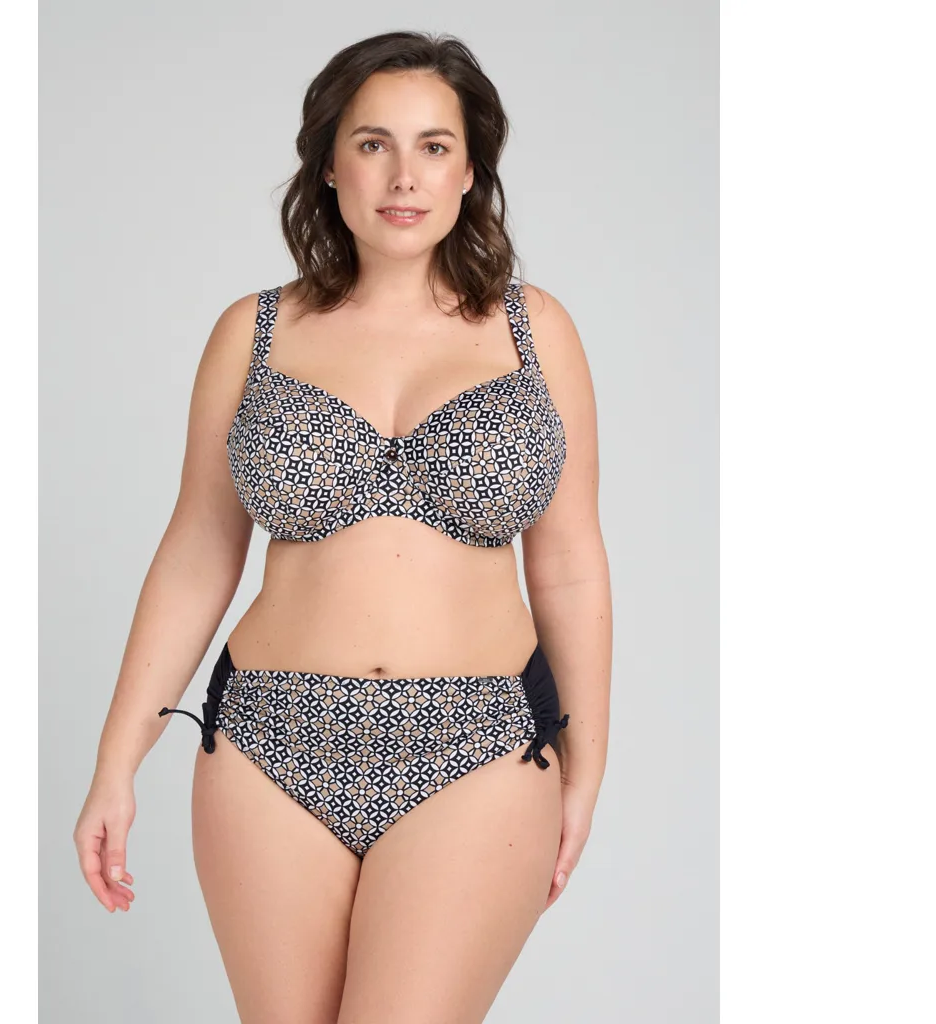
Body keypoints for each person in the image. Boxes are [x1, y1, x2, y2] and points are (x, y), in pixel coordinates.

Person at [73, 30, 611, 1024]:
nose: (404, 176)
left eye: (434, 146)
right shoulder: (254, 332)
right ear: (328, 163)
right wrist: (116, 763)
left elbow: (571, 564)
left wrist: (590, 760)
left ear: (470, 170)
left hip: (480, 745)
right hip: (266, 743)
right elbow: (198, 552)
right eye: (372, 144)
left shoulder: (535, 330)